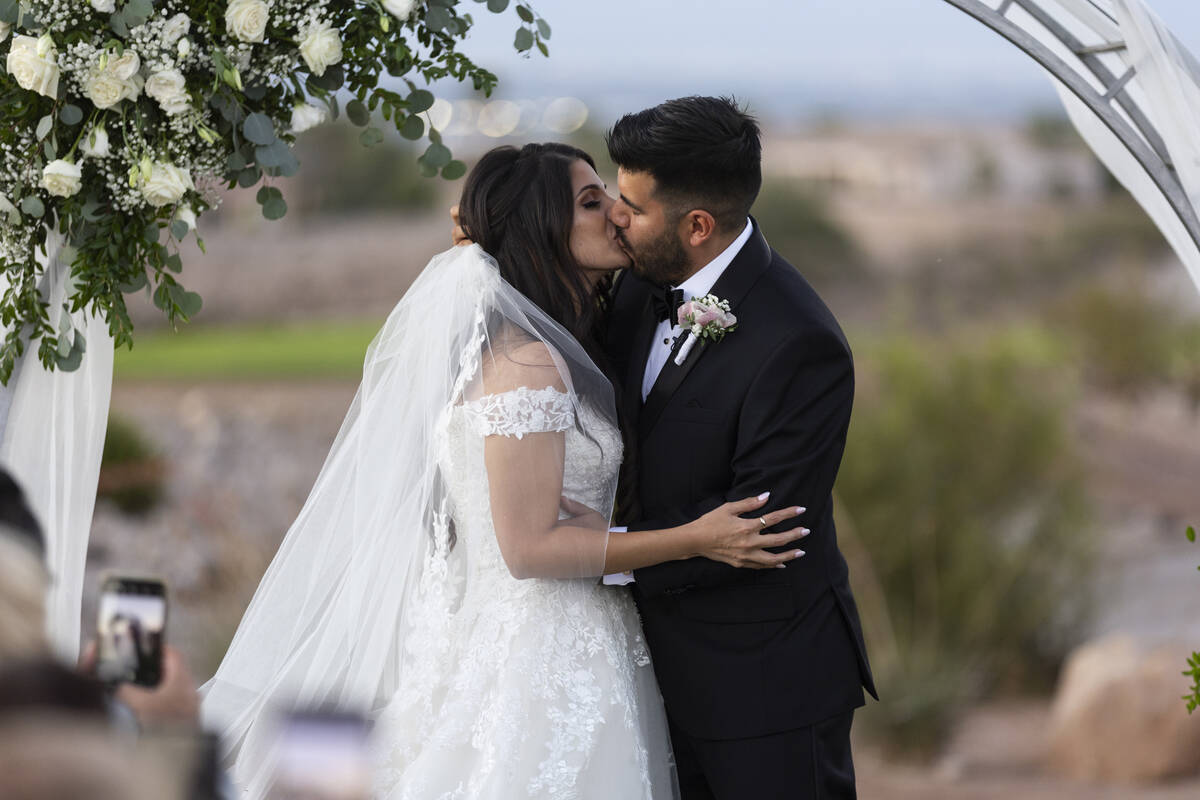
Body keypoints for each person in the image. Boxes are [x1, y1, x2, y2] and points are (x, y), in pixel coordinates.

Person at [201, 142, 806, 798]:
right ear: (542, 227)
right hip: (540, 649)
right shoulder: (528, 365)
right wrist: (698, 537)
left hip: (563, 633)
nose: (615, 215)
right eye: (589, 201)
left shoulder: (547, 343)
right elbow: (528, 548)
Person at [602, 96, 876, 799]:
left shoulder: (801, 341)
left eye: (630, 205)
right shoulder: (633, 287)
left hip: (766, 686)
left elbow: (757, 526)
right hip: (642, 678)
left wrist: (590, 559)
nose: (614, 217)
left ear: (696, 226)